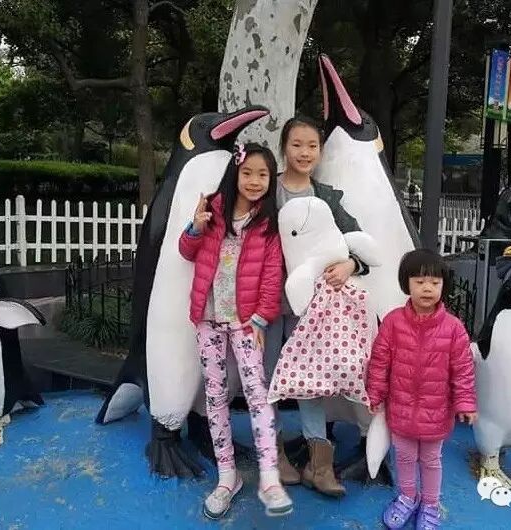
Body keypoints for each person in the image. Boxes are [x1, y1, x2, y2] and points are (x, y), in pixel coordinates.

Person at [178, 143, 292, 518]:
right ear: (236, 174)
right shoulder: (211, 210)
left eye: (263, 175)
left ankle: (270, 477)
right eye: (248, 173)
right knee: (215, 395)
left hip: (246, 324)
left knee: (258, 393)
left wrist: (260, 319)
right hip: (207, 318)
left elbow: (272, 278)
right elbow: (186, 251)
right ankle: (227, 475)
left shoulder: (269, 224)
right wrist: (196, 226)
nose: (255, 181)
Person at [264, 116, 370, 496]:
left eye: (312, 145)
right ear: (284, 148)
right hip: (266, 301)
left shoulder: (326, 197)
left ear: (321, 151)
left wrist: (350, 265)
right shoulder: (266, 190)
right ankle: (273, 455)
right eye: (297, 144)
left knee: (309, 381)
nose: (304, 152)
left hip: (312, 308)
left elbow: (358, 242)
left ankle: (318, 464)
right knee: (266, 377)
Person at [366, 249, 477, 530]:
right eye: (419, 281)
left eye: (435, 282)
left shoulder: (454, 328)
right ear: (407, 284)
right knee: (403, 456)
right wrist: (375, 392)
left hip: (436, 412)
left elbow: (463, 369)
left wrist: (465, 402)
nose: (427, 288)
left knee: (431, 460)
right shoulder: (393, 322)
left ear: (443, 286)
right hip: (401, 409)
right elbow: (379, 361)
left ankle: (430, 503)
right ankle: (407, 497)